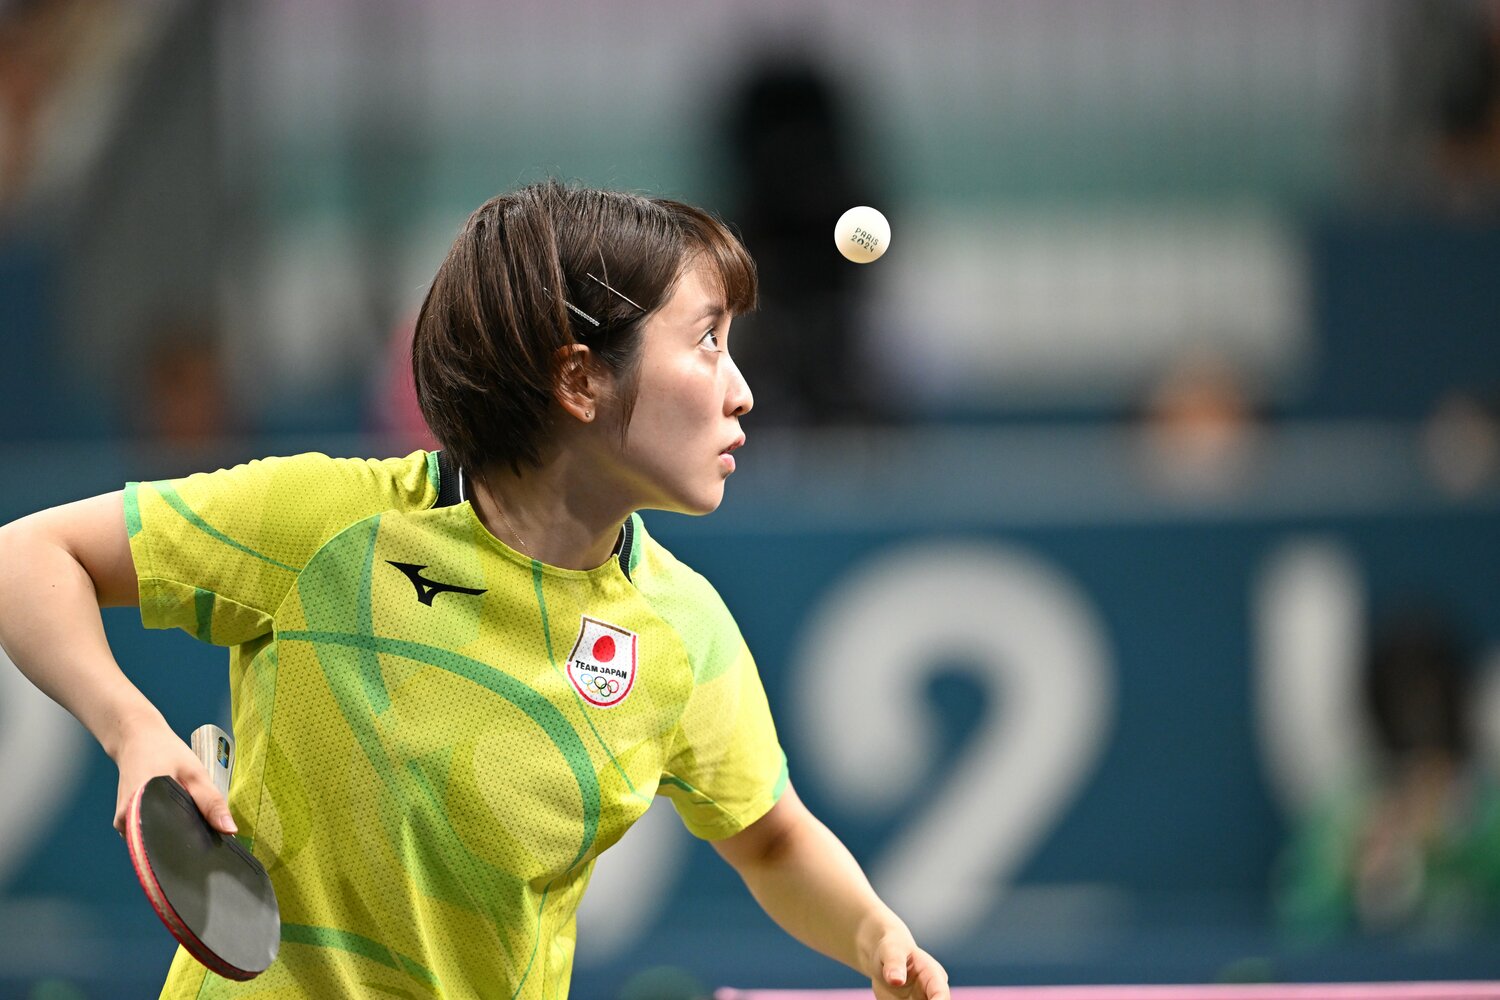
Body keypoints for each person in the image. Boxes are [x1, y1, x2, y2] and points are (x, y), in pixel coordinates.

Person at [0, 181, 949, 1000]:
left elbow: (771, 839)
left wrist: (872, 933)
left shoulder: (681, 628)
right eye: (706, 341)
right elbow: (28, 556)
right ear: (579, 379)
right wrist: (133, 732)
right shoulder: (330, 526)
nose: (741, 391)